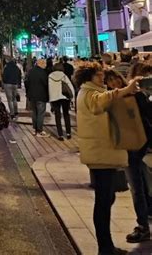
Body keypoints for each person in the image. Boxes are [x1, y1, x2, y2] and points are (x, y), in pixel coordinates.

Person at [74, 61, 141, 255]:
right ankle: (105, 247)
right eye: (98, 75)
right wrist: (126, 88)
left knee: (106, 197)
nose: (102, 77)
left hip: (101, 152)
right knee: (103, 200)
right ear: (88, 77)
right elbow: (101, 101)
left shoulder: (91, 91)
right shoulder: (89, 93)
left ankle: (107, 245)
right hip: (100, 153)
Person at [122, 62, 152, 244]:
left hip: (138, 145)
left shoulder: (135, 95)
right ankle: (143, 224)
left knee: (138, 187)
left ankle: (143, 224)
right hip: (136, 145)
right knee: (138, 186)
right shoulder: (130, 94)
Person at [48, 62, 75, 141]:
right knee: (66, 114)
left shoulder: (50, 76)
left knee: (57, 116)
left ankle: (60, 135)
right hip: (64, 97)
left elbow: (50, 88)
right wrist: (72, 98)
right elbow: (70, 87)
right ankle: (68, 133)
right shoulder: (64, 76)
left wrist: (51, 100)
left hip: (55, 98)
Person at [25, 59, 49, 137]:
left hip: (32, 95)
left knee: (34, 112)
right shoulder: (43, 72)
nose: (45, 65)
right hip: (41, 95)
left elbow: (26, 82)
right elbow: (46, 84)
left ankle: (34, 129)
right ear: (41, 64)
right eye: (45, 63)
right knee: (41, 113)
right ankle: (40, 130)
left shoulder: (31, 71)